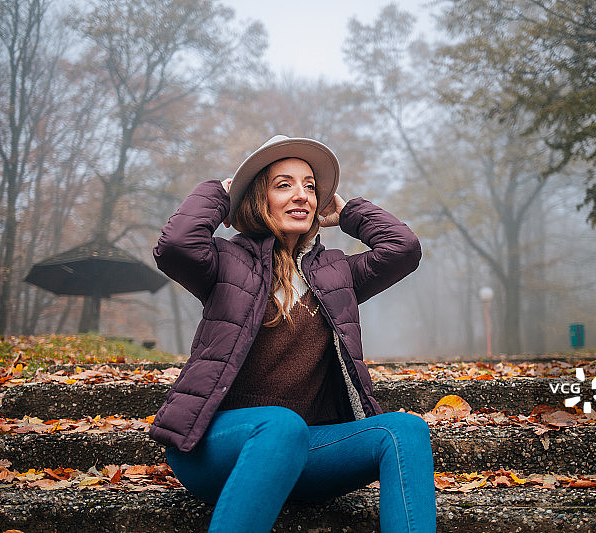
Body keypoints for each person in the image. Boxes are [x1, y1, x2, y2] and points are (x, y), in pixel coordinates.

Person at [149, 135, 436, 533]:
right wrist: (222, 192)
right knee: (280, 425)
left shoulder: (337, 273)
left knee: (405, 430)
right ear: (255, 199)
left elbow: (402, 248)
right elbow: (176, 245)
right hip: (212, 447)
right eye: (283, 185)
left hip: (305, 450)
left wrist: (349, 211)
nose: (302, 196)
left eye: (310, 187)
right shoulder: (226, 262)